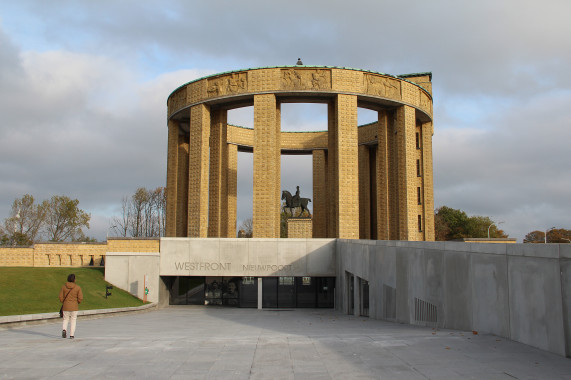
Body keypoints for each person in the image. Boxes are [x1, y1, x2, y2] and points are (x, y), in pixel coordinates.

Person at [59, 273, 83, 339]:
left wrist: (63, 301)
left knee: (65, 319)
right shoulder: (77, 287)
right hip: (74, 306)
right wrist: (77, 302)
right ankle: (71, 335)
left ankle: (64, 329)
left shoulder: (63, 287)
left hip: (66, 306)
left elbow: (60, 297)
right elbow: (80, 298)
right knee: (73, 320)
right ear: (74, 280)